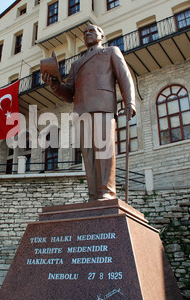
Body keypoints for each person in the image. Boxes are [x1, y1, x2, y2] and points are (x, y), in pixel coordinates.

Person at [43, 24, 136, 201]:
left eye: (91, 31)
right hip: (82, 110)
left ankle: (107, 192)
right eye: (84, 33)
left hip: (103, 106)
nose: (87, 34)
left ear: (101, 35)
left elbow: (124, 77)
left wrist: (129, 101)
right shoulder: (76, 64)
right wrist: (55, 85)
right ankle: (94, 194)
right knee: (88, 154)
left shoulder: (110, 52)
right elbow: (69, 93)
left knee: (104, 150)